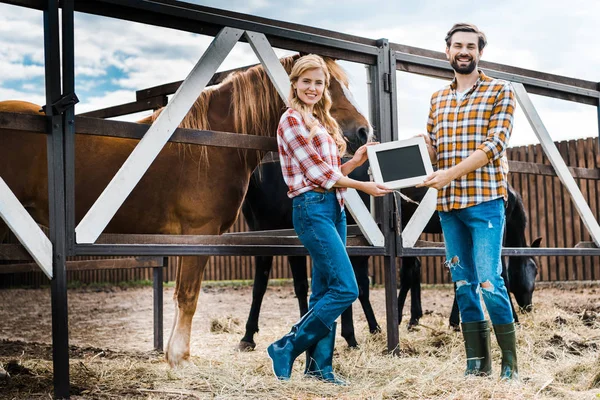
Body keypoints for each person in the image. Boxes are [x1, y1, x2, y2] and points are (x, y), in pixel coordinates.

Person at [267, 54, 392, 384]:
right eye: (306, 81)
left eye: (318, 83)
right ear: (294, 83)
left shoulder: (321, 123)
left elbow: (333, 172)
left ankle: (320, 368)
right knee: (346, 288)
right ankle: (287, 346)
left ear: (325, 89)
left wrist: (357, 160)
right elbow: (317, 173)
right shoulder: (291, 120)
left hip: (333, 208)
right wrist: (361, 184)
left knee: (323, 292)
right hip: (311, 208)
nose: (312, 87)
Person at [417, 23, 518, 380]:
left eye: (470, 46)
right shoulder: (437, 99)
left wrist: (450, 173)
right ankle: (477, 364)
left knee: (490, 281)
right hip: (449, 205)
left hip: (485, 201)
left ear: (479, 52)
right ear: (447, 52)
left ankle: (509, 365)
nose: (463, 51)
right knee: (463, 285)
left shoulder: (499, 91)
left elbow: (493, 146)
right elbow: (432, 146)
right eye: (457, 45)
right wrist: (409, 151)